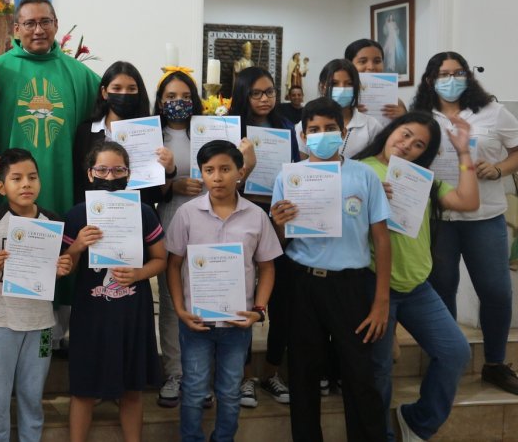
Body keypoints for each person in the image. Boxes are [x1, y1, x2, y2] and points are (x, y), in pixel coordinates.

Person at [270, 97, 391, 442]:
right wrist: (279, 223)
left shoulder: (364, 175)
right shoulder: (289, 177)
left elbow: (382, 239)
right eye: (314, 130)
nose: (322, 135)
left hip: (350, 285)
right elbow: (280, 240)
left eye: (330, 128)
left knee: (359, 373)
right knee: (303, 374)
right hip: (303, 282)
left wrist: (381, 300)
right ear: (303, 136)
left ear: (343, 132)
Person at [353, 111, 477, 441]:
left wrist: (464, 152)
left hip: (418, 286)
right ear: (392, 129)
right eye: (405, 134)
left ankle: (418, 421)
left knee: (455, 352)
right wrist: (364, 197)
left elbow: (468, 201)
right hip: (373, 283)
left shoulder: (422, 179)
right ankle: (380, 436)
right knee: (379, 370)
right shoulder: (360, 169)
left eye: (419, 144)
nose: (408, 144)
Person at [411, 51, 518, 395]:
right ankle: (446, 362)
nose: (452, 80)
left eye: (459, 73)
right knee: (442, 290)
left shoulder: (492, 112)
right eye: (444, 74)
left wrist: (499, 169)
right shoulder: (420, 116)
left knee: (496, 291)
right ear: (430, 80)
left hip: (484, 216)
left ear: (469, 76)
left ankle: (495, 363)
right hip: (438, 218)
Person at [166, 140, 281, 442]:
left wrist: (259, 310)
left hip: (237, 324)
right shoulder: (187, 213)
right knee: (194, 390)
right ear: (201, 173)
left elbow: (267, 267)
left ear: (240, 172)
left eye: (225, 169)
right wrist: (180, 310)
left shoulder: (256, 216)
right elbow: (173, 265)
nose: (217, 177)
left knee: (230, 392)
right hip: (196, 323)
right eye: (209, 170)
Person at [62, 140, 166, 442]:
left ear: (129, 174)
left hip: (132, 312)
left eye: (118, 170)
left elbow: (161, 259)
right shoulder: (76, 215)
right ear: (90, 173)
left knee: (132, 390)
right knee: (83, 389)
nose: (110, 177)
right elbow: (65, 268)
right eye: (103, 170)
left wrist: (138, 273)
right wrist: (77, 246)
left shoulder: (144, 212)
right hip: (90, 314)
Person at [0, 148, 73, 442]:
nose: (26, 184)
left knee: (32, 398)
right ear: (1, 186)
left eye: (32, 177)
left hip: (40, 324)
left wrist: (63, 268)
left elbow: (56, 268)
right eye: (16, 178)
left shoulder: (52, 221)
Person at [228, 65, 299, 405]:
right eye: (255, 93)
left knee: (283, 300)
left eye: (269, 91)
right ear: (243, 95)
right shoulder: (231, 130)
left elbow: (297, 172)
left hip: (278, 218)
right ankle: (243, 376)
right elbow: (220, 179)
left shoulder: (286, 127)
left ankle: (271, 371)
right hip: (240, 216)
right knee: (241, 297)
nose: (264, 98)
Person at [0, 0, 100, 216]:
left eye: (45, 22)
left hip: (61, 178)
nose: (38, 30)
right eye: (30, 23)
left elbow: (116, 106)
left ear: (56, 24)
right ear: (16, 29)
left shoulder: (79, 74)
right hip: (10, 182)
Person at [150, 68, 205, 407]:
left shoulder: (210, 130)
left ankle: (201, 376)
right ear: (160, 101)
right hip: (171, 216)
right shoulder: (152, 135)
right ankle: (175, 373)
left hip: (209, 221)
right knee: (172, 301)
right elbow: (142, 184)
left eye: (185, 96)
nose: (178, 102)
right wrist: (173, 184)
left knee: (204, 294)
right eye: (171, 97)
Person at [72, 60, 175, 205]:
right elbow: (79, 183)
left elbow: (155, 194)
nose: (124, 94)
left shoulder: (150, 133)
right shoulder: (85, 132)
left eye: (131, 89)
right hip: (96, 212)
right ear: (104, 92)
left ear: (139, 93)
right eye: (117, 88)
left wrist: (170, 170)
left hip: (138, 211)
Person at [294, 58, 382, 159]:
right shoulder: (304, 126)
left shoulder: (371, 126)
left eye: (349, 84)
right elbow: (302, 163)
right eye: (334, 84)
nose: (342, 89)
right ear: (322, 87)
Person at [345, 38, 406, 119]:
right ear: (349, 65)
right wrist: (346, 114)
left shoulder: (396, 103)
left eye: (377, 61)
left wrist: (404, 116)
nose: (371, 67)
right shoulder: (341, 101)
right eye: (363, 61)